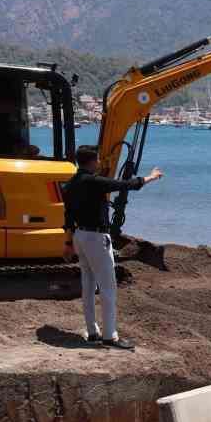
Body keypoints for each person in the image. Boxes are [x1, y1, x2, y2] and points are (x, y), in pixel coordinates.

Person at [62, 146, 161, 350]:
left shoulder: (70, 184)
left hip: (79, 236)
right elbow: (127, 184)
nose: (99, 163)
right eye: (97, 160)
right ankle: (110, 336)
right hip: (97, 238)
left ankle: (92, 331)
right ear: (92, 162)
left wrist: (68, 243)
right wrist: (151, 177)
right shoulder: (94, 182)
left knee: (88, 285)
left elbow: (68, 217)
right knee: (108, 287)